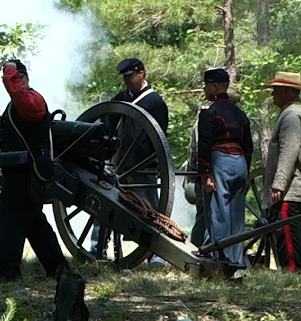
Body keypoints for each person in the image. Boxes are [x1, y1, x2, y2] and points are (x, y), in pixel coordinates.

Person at [0, 59, 69, 283]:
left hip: (26, 172)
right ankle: (58, 268)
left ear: (23, 78)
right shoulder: (19, 102)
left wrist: (10, 69)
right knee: (33, 222)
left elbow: (17, 93)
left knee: (8, 215)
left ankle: (8, 272)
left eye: (15, 77)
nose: (11, 82)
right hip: (19, 170)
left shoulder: (33, 100)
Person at [90, 58, 169, 266]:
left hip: (143, 165)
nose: (126, 82)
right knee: (104, 205)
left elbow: (161, 137)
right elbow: (107, 123)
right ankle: (97, 249)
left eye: (129, 77)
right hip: (119, 165)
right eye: (124, 78)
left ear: (141, 74)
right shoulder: (122, 98)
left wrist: (159, 165)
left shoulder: (155, 102)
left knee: (151, 211)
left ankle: (157, 255)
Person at [261, 71, 301, 274]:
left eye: (276, 90)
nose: (273, 95)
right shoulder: (297, 112)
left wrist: (278, 183)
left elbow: (289, 151)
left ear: (287, 91)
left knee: (287, 227)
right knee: (292, 225)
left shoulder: (292, 115)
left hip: (295, 184)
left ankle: (294, 269)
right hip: (299, 183)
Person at [196, 70, 253, 265]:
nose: (204, 89)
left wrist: (205, 174)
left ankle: (220, 259)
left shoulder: (209, 113)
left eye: (205, 85)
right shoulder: (240, 113)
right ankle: (236, 259)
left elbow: (204, 146)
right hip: (240, 163)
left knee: (219, 212)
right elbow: (248, 147)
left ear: (213, 86)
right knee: (237, 217)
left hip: (220, 160)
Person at [184, 85, 242, 248]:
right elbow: (196, 150)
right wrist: (198, 176)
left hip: (215, 173)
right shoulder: (211, 119)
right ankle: (198, 250)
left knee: (210, 215)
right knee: (208, 215)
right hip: (206, 174)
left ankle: (203, 249)